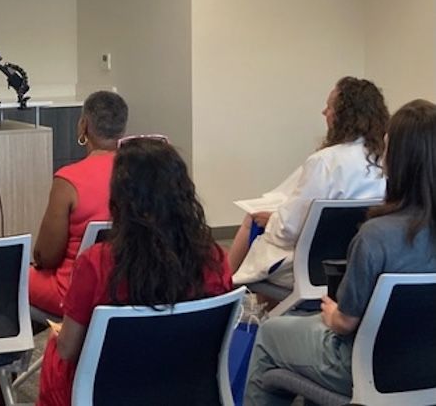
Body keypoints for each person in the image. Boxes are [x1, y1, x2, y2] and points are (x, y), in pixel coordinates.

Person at [244, 99, 436, 405]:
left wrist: (333, 314)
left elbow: (345, 322)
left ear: (399, 160)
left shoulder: (375, 236)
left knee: (270, 334)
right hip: (426, 364)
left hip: (364, 367)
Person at [37, 137, 233, 406]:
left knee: (55, 347)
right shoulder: (215, 258)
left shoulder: (96, 263)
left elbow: (68, 350)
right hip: (186, 391)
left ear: (120, 197)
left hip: (107, 394)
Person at [230, 77, 389, 287]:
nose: (324, 113)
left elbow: (288, 231)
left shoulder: (324, 162)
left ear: (344, 116)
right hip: (363, 266)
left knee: (257, 228)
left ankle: (221, 289)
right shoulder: (388, 160)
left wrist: (273, 220)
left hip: (311, 270)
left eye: (329, 107)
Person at [30, 90, 128, 316]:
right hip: (126, 285)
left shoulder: (69, 180)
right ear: (122, 129)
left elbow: (47, 256)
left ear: (83, 125)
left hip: (72, 291)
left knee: (10, 275)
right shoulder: (139, 172)